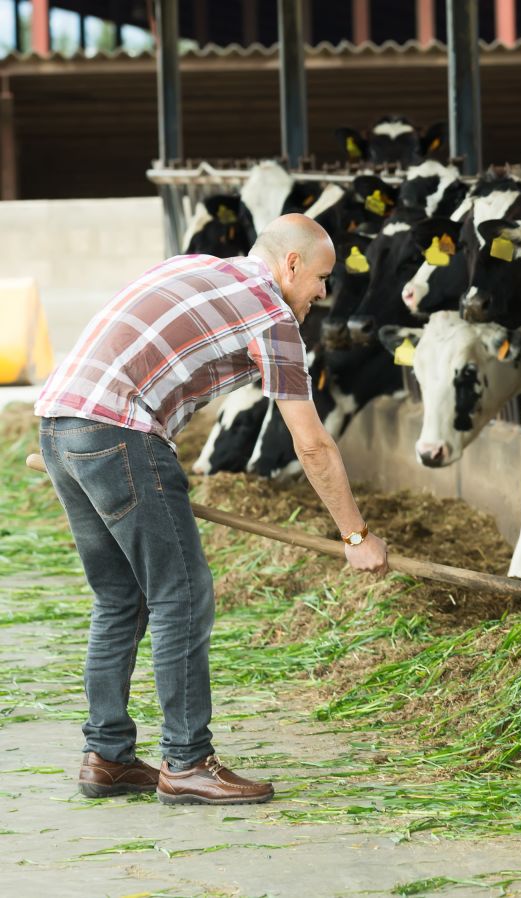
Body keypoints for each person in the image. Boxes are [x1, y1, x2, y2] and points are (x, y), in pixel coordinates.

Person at [33, 214, 389, 806]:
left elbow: (117, 338)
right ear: (291, 265)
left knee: (119, 597)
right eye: (322, 278)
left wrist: (73, 441)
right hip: (119, 432)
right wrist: (356, 537)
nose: (324, 293)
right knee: (183, 594)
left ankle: (108, 758)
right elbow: (311, 443)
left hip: (60, 424)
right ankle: (187, 761)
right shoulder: (273, 318)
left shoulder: (195, 266)